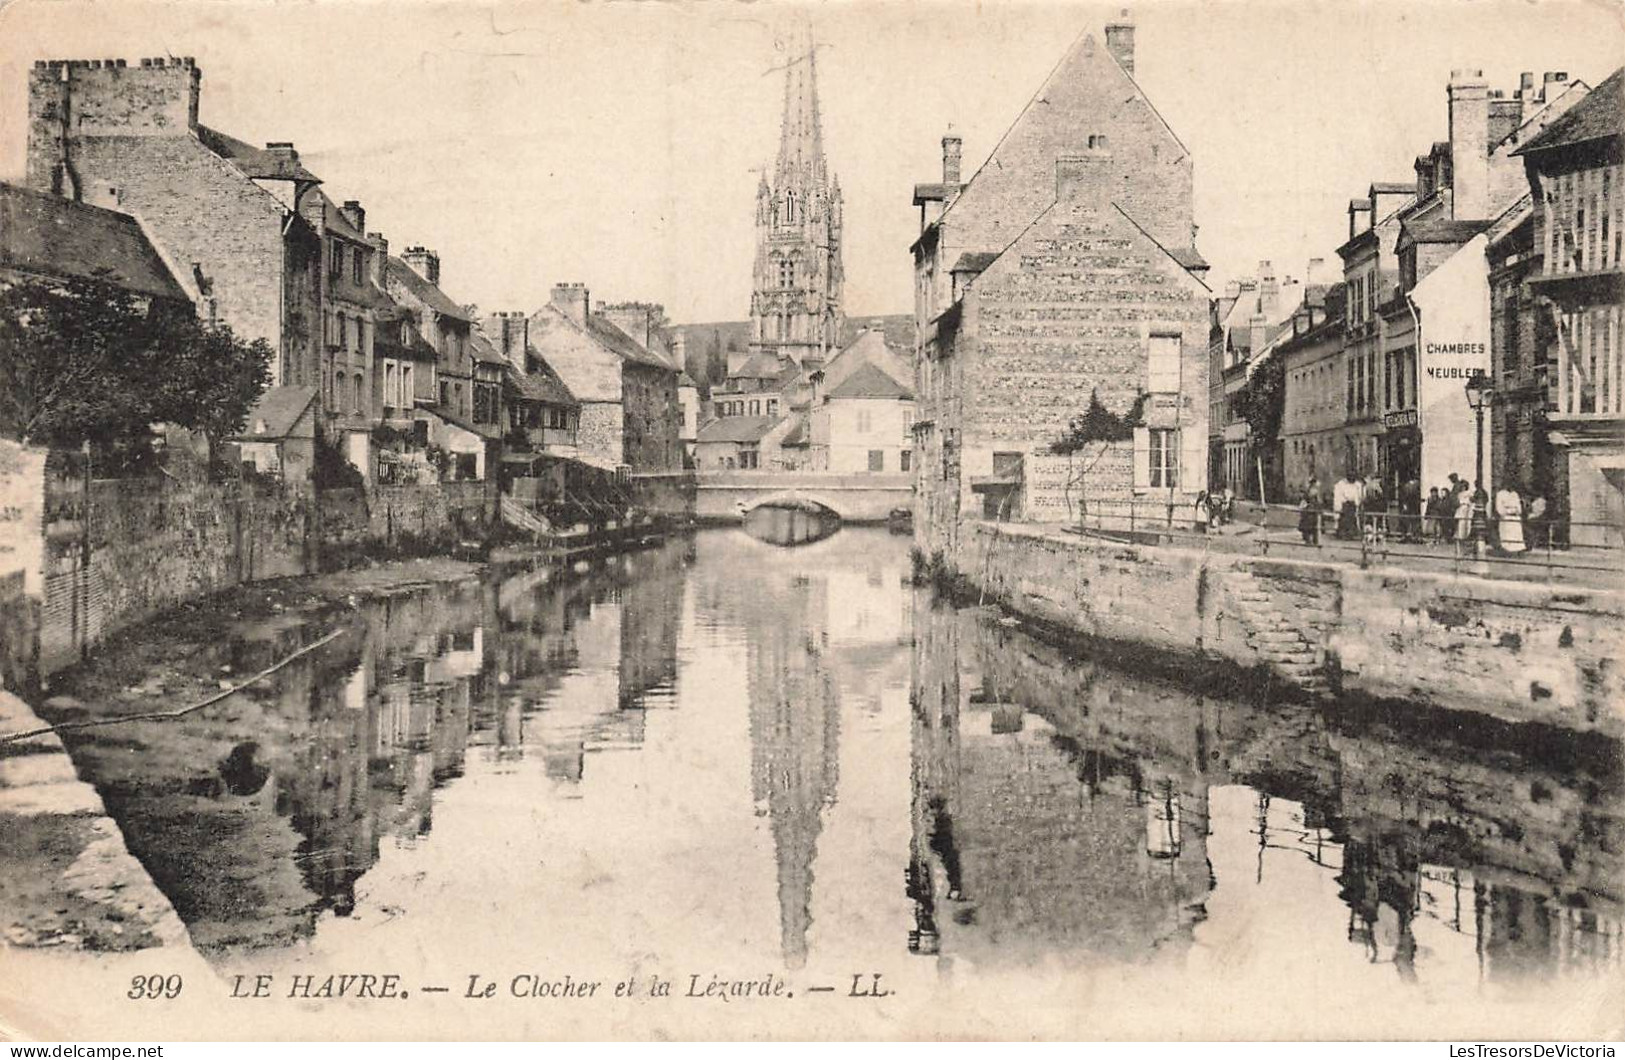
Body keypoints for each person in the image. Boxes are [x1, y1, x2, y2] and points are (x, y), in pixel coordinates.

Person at [1496, 483, 1526, 554]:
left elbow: (1518, 506)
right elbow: (1499, 507)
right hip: (1506, 517)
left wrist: (1517, 511)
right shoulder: (1500, 494)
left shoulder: (1515, 494)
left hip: (1515, 517)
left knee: (1516, 534)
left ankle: (1518, 550)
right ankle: (1507, 551)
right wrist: (1506, 512)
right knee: (1507, 534)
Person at [1333, 472, 1361, 540]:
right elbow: (1338, 496)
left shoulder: (1357, 485)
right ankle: (1342, 533)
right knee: (1343, 520)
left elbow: (1359, 496)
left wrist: (1357, 503)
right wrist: (1339, 506)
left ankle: (1351, 533)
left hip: (1353, 505)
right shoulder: (1341, 484)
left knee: (1352, 520)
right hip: (1345, 504)